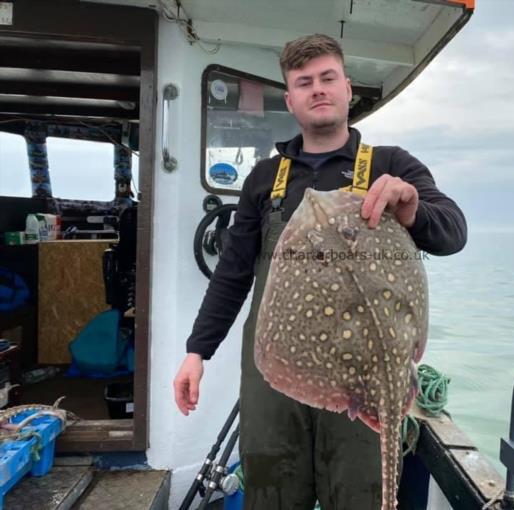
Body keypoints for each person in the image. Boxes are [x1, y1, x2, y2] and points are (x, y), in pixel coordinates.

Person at [174, 34, 467, 510]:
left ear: (348, 89)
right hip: (276, 373)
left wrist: (413, 210)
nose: (318, 89)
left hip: (364, 375)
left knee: (359, 495)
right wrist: (197, 351)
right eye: (304, 83)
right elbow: (232, 274)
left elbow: (453, 233)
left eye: (328, 78)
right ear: (290, 100)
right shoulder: (264, 178)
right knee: (271, 494)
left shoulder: (392, 165)